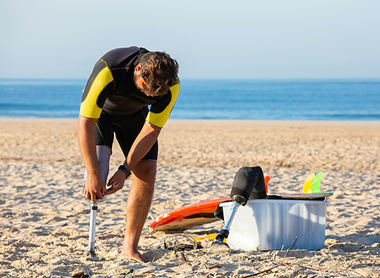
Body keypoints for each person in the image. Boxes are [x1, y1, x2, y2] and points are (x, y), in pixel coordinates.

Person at [77, 46, 180, 263]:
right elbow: (85, 123)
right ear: (138, 69)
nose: (149, 95)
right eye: (145, 89)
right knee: (100, 171)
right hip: (100, 117)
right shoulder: (109, 69)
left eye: (154, 94)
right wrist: (93, 173)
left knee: (147, 171)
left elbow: (152, 129)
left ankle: (129, 248)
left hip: (134, 120)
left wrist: (125, 170)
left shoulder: (171, 85)